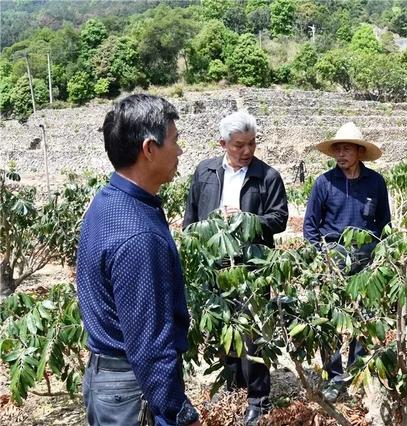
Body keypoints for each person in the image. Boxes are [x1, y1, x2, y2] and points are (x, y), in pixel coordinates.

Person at [76, 94, 201, 426]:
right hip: (132, 389)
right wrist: (178, 412)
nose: (180, 150)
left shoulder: (108, 200)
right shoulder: (138, 234)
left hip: (109, 380)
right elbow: (150, 344)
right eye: (174, 140)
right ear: (149, 149)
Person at [183, 110, 288, 425]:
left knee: (253, 332)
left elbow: (279, 218)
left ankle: (259, 399)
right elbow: (191, 217)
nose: (247, 151)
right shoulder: (205, 172)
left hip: (251, 268)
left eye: (252, 144)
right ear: (223, 143)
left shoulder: (266, 176)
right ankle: (233, 386)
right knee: (222, 327)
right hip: (213, 266)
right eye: (239, 145)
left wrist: (245, 218)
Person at [303, 121, 391, 402]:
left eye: (346, 149)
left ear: (359, 152)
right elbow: (310, 226)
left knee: (362, 316)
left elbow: (384, 222)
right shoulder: (324, 183)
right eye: (337, 149)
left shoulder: (375, 182)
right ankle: (333, 376)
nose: (341, 154)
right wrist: (323, 255)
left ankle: (357, 370)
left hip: (366, 258)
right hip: (334, 256)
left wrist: (377, 253)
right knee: (330, 319)